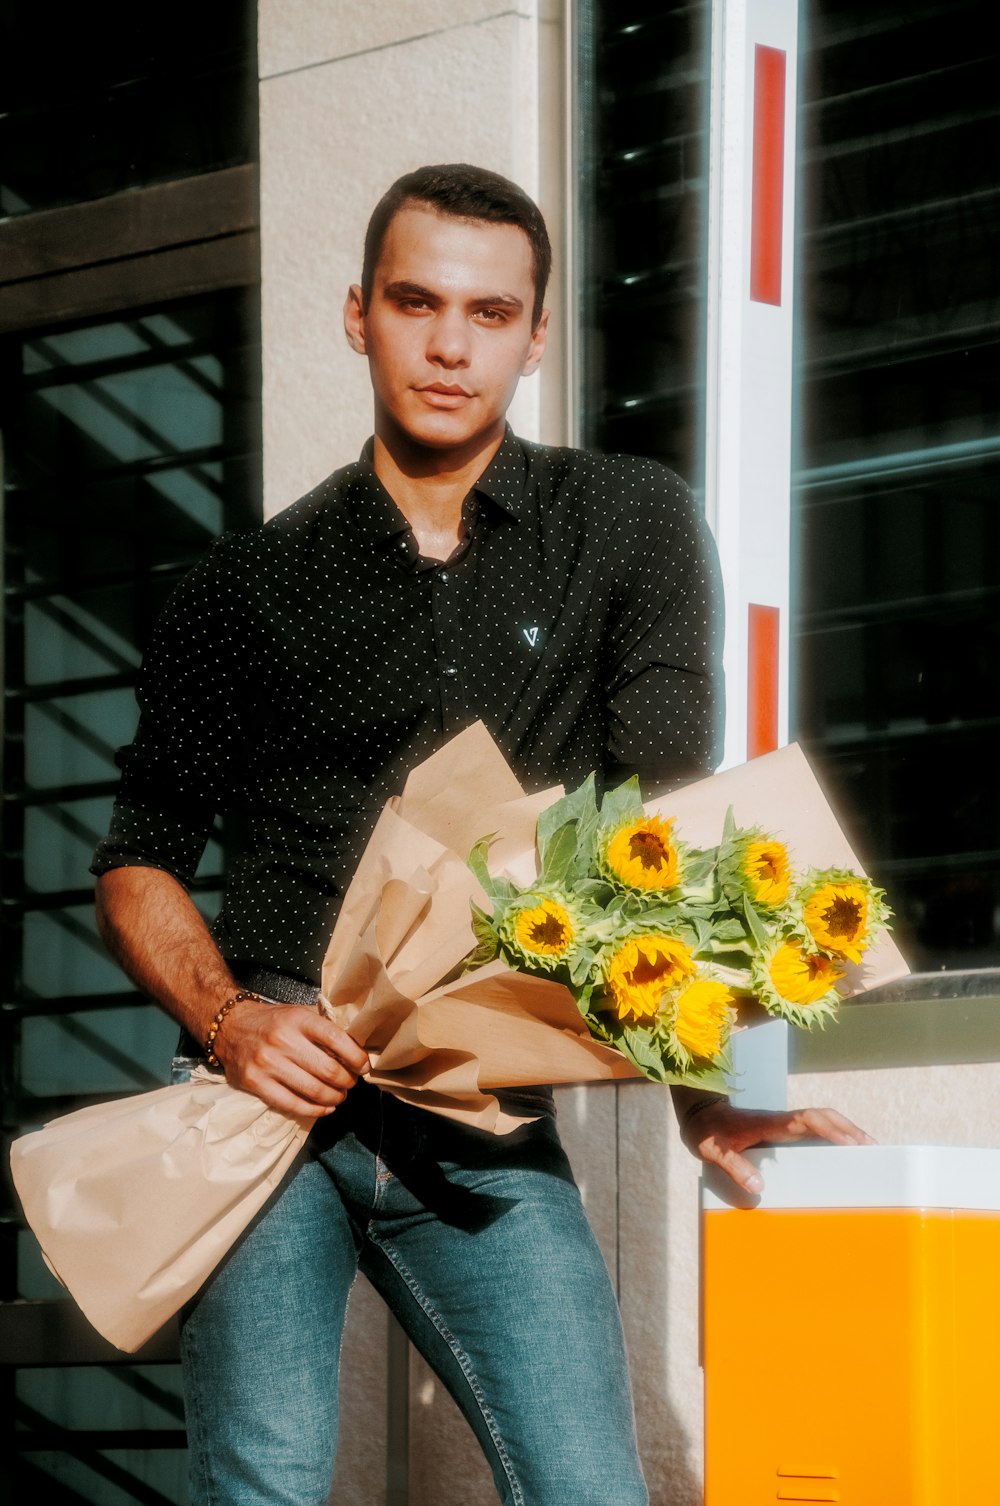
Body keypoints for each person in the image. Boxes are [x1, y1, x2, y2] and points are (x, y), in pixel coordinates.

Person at [93, 163, 871, 1506]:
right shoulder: (241, 588)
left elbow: (664, 832)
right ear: (356, 314)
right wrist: (230, 1021)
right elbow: (137, 855)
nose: (450, 343)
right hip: (269, 1088)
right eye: (415, 301)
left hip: (479, 1100)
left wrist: (711, 1084)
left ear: (535, 332)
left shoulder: (626, 524)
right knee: (258, 1484)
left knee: (588, 1486)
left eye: (487, 311)